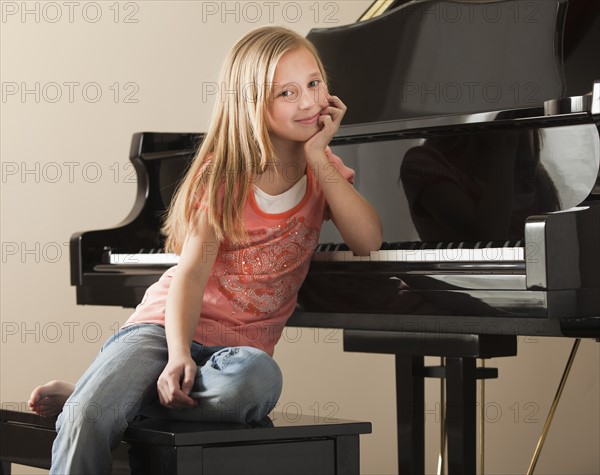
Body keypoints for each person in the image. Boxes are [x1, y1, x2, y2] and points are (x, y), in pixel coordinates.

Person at [27, 25, 382, 473]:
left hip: (235, 358)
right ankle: (94, 400)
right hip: (163, 331)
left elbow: (367, 241)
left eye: (314, 83)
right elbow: (191, 274)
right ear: (252, 103)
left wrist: (318, 158)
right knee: (85, 420)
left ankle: (99, 393)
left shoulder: (322, 170)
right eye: (287, 93)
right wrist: (177, 355)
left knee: (257, 383)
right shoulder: (226, 175)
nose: (309, 102)